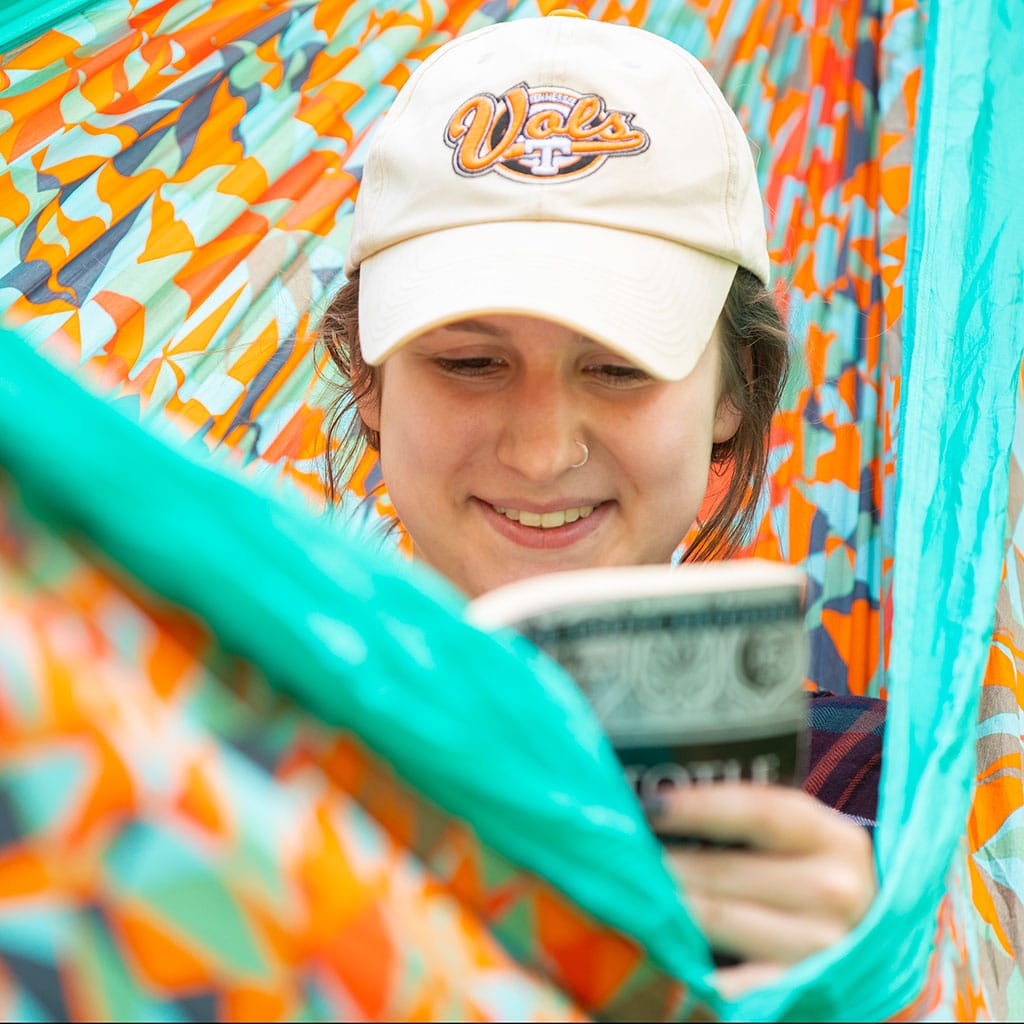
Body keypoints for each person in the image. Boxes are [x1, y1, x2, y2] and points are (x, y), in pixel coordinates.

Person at [319, 11, 882, 996]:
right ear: (367, 378)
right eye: (470, 361)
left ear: (733, 392)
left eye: (618, 368)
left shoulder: (887, 805)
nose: (541, 451)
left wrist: (888, 987)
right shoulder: (203, 740)